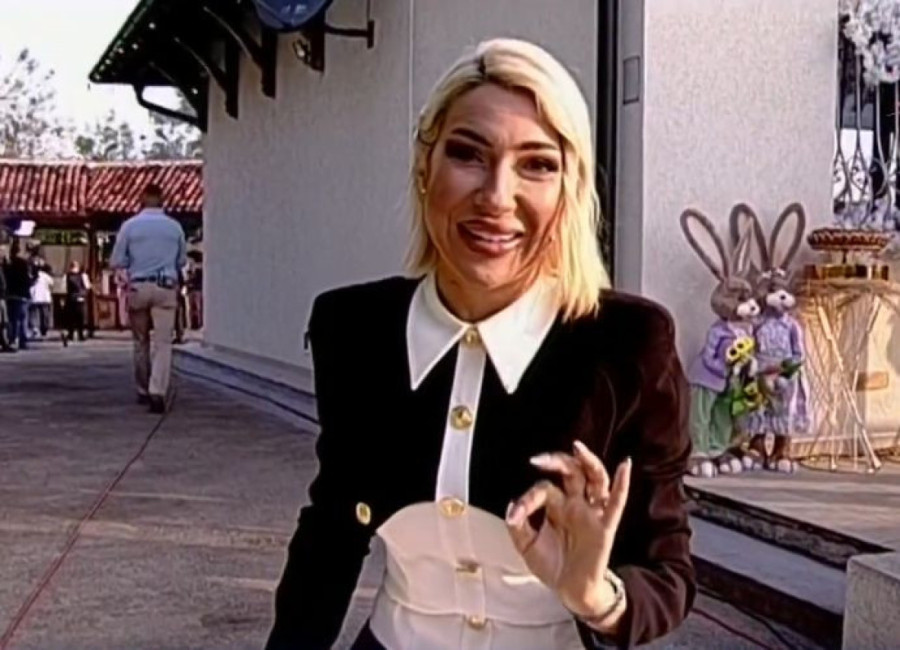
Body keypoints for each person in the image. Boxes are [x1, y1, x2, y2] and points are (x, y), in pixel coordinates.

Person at [265, 38, 694, 650]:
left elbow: (667, 571)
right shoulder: (352, 328)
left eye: (537, 164)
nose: (496, 197)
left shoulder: (627, 346)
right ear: (425, 167)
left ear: (569, 190)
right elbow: (331, 531)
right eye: (467, 154)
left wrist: (598, 597)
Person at [110, 182, 187, 414]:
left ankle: (142, 388)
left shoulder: (129, 226)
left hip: (139, 286)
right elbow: (181, 261)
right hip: (165, 286)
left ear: (141, 199)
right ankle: (158, 390)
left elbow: (117, 260)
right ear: (163, 200)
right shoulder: (174, 227)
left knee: (140, 341)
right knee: (163, 343)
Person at [3, 240, 34, 350]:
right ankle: (22, 340)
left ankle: (13, 338)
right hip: (22, 294)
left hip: (10, 294)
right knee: (22, 318)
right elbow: (28, 279)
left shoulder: (7, 264)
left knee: (12, 319)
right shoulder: (23, 264)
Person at [63, 261, 91, 343]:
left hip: (70, 298)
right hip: (80, 298)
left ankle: (71, 334)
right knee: (80, 318)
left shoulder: (66, 276)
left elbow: (63, 288)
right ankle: (80, 335)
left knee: (71, 317)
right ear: (78, 267)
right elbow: (87, 286)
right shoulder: (83, 275)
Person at [30, 264, 55, 339]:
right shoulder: (45, 276)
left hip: (34, 298)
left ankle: (35, 328)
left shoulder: (31, 275)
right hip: (44, 298)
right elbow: (52, 283)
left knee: (34, 314)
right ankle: (44, 330)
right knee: (44, 315)